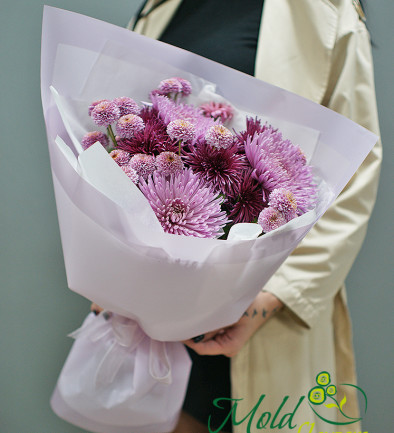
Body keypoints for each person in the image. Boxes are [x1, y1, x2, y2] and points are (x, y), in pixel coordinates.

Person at [93, 1, 382, 432]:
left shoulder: (324, 13)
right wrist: (111, 265)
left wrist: (268, 301)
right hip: (153, 314)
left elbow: (355, 171)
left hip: (255, 317)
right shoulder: (159, 8)